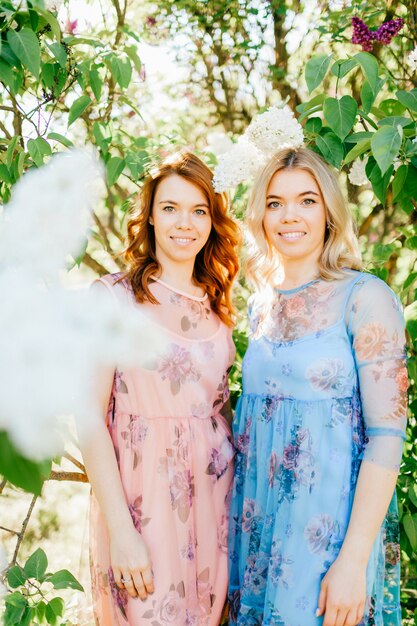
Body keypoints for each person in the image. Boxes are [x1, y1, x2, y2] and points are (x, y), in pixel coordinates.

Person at [228, 147, 407, 626]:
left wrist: (352, 561)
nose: (290, 216)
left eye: (306, 200)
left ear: (328, 211)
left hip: (327, 543)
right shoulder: (259, 306)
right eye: (274, 202)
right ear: (261, 216)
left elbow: (388, 439)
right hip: (259, 535)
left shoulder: (366, 297)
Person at [80, 152, 240, 626]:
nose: (184, 223)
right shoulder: (113, 298)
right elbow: (88, 418)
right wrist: (122, 531)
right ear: (149, 214)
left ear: (213, 220)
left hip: (216, 510)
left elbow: (220, 414)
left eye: (199, 210)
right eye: (170, 208)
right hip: (143, 508)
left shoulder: (217, 306)